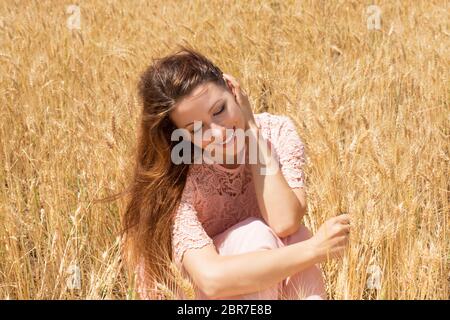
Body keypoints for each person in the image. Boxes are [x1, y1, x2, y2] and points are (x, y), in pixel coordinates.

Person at [113, 46, 351, 300]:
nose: (219, 133)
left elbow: (284, 222)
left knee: (295, 236)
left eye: (219, 110)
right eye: (196, 129)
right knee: (260, 235)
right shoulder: (177, 179)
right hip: (202, 295)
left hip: (265, 282)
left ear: (232, 90)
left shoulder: (276, 131)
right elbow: (212, 280)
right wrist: (315, 249)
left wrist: (250, 127)